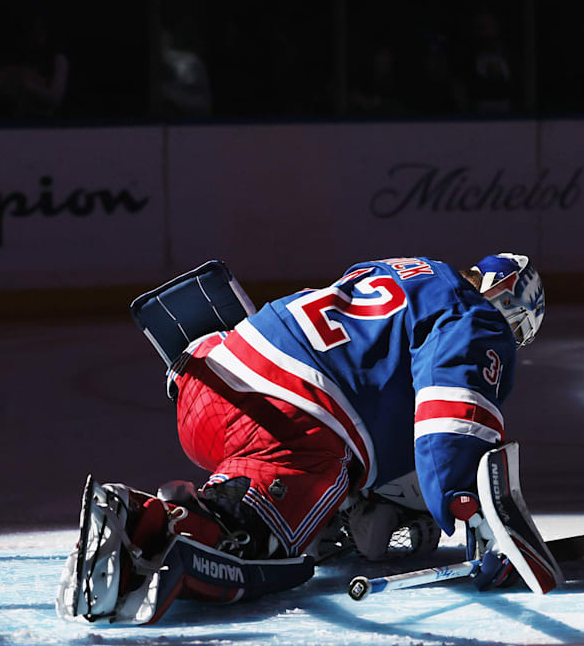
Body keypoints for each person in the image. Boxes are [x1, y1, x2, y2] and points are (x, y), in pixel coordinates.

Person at [58, 254, 553, 625]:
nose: (509, 342)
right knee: (263, 548)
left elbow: (369, 378)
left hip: (206, 379)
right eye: (516, 329)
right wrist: (472, 510)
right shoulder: (474, 315)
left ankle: (333, 511)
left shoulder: (407, 271)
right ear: (506, 300)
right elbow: (453, 416)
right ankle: (148, 523)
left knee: (349, 471)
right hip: (285, 415)